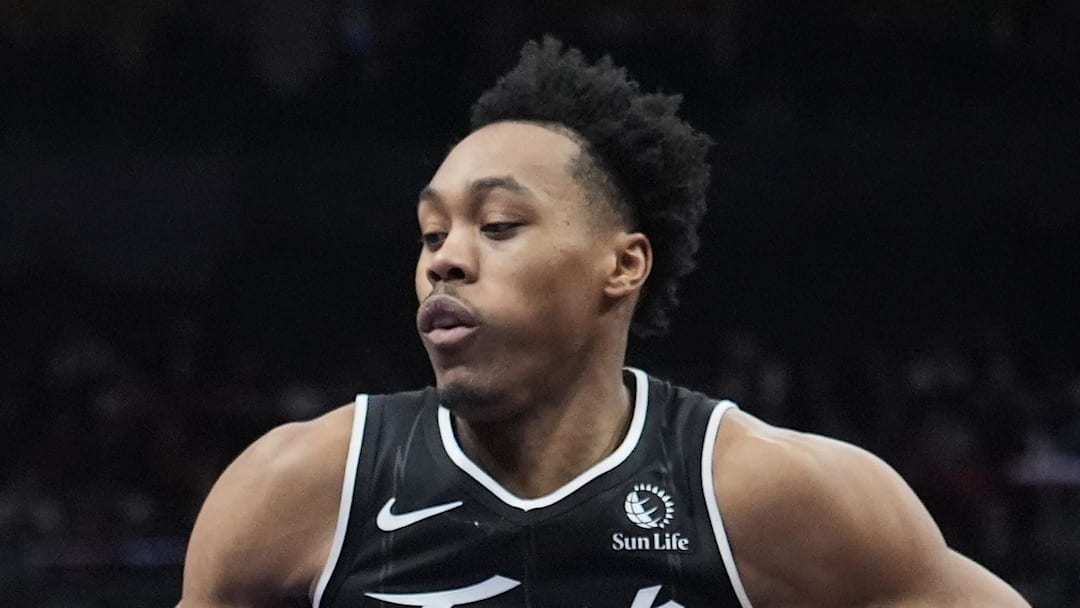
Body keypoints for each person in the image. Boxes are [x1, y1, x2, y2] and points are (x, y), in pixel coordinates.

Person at [177, 38, 1030, 608]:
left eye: (498, 226)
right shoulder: (296, 493)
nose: (444, 258)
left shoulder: (764, 497)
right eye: (432, 233)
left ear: (621, 266)